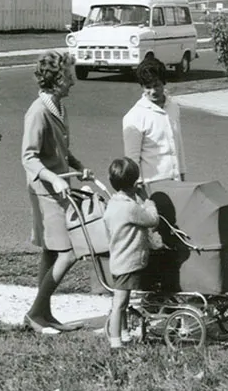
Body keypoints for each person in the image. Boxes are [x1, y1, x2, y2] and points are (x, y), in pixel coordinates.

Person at [21, 50, 91, 335]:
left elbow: (61, 149)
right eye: (69, 77)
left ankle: (44, 313)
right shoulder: (38, 112)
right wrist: (55, 178)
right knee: (70, 251)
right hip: (46, 192)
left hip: (60, 188)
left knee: (52, 253)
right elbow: (29, 157)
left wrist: (78, 166)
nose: (73, 82)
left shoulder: (58, 107)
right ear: (57, 79)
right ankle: (36, 313)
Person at [102, 157, 162, 350]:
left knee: (123, 301)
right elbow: (153, 220)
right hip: (128, 261)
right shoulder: (130, 208)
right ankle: (115, 341)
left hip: (118, 259)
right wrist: (147, 200)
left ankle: (124, 333)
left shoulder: (113, 204)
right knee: (119, 303)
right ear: (135, 182)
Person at [122, 58, 186, 186]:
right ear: (142, 87)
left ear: (163, 82)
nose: (153, 91)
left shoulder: (173, 107)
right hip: (151, 184)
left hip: (175, 181)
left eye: (156, 85)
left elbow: (178, 143)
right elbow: (132, 159)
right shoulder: (134, 116)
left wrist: (182, 173)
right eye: (148, 87)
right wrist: (138, 187)